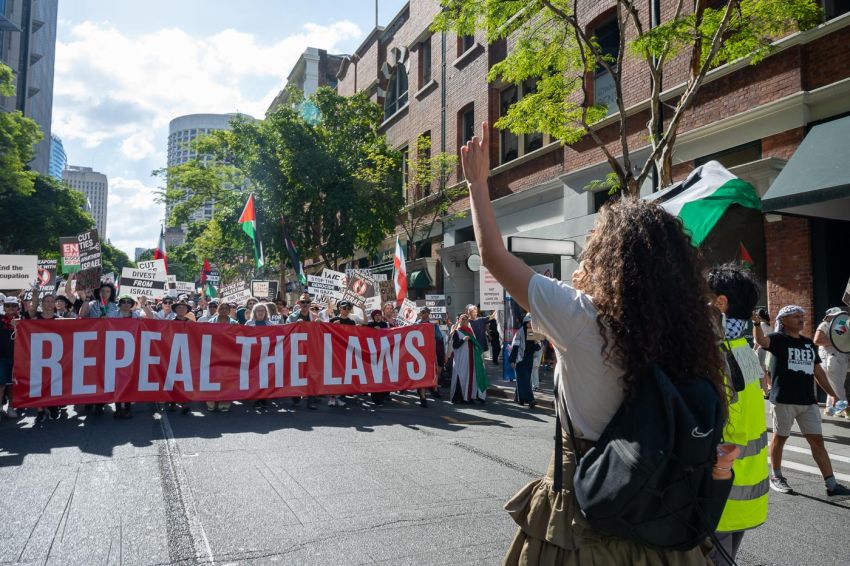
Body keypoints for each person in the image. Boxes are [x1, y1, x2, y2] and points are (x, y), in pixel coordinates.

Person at [461, 121, 736, 564]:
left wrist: (477, 183)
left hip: (585, 513)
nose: (586, 256)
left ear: (611, 263)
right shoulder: (691, 332)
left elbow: (493, 254)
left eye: (593, 247)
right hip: (662, 524)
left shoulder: (580, 319)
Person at [706, 264, 769, 566]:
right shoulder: (743, 347)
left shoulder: (717, 353)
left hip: (719, 491)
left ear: (721, 303)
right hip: (746, 490)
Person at [753, 305, 850, 496]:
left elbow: (818, 372)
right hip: (783, 400)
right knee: (780, 438)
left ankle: (831, 484)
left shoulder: (807, 343)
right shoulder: (777, 339)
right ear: (783, 320)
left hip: (808, 401)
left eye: (802, 316)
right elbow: (761, 341)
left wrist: (832, 394)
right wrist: (756, 323)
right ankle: (777, 476)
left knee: (817, 442)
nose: (801, 319)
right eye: (796, 316)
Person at [814, 307, 849, 417]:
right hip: (830, 358)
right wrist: (835, 343)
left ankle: (830, 409)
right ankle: (846, 410)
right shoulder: (824, 325)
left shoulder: (840, 326)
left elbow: (842, 340)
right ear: (830, 316)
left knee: (835, 384)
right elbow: (817, 340)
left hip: (841, 358)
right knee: (838, 385)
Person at [286, 293, 319, 409]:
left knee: (312, 374)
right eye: (303, 302)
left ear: (310, 304)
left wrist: (319, 325)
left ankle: (311, 400)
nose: (305, 304)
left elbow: (322, 333)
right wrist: (295, 325)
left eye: (307, 302)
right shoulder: (292, 317)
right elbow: (285, 331)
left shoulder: (315, 317)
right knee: (296, 373)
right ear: (299, 303)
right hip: (297, 349)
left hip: (311, 350)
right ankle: (295, 397)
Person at [205, 302, 238, 412]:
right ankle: (211, 399)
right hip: (213, 353)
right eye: (222, 308)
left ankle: (225, 399)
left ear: (229, 311)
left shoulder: (234, 323)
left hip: (229, 354)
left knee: (226, 377)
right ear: (218, 309)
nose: (224, 310)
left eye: (226, 308)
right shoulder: (210, 322)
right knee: (213, 377)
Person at [450, 313, 488, 404]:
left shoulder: (470, 332)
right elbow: (455, 346)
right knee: (461, 377)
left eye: (466, 320)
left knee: (471, 377)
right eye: (463, 319)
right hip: (461, 360)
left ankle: (470, 397)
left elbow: (476, 345)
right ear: (459, 321)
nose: (465, 321)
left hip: (471, 359)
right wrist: (463, 340)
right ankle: (459, 398)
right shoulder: (457, 332)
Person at [327, 301, 358, 407]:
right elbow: (325, 334)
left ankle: (338, 397)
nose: (346, 310)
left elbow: (353, 336)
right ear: (339, 308)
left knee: (343, 375)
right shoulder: (332, 320)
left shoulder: (351, 322)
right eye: (344, 308)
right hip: (334, 350)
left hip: (346, 351)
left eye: (349, 308)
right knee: (334, 374)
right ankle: (332, 397)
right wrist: (333, 327)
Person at [509, 314, 539, 409]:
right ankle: (530, 400)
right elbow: (515, 347)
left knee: (523, 379)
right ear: (525, 323)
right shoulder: (520, 332)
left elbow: (537, 348)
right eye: (529, 322)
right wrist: (513, 360)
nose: (531, 324)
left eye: (531, 322)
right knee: (525, 380)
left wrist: (535, 341)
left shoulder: (532, 333)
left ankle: (518, 398)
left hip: (529, 359)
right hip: (520, 359)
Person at [0, 296, 21, 420]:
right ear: (4, 307)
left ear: (17, 308)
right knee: (1, 384)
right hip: (2, 357)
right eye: (8, 306)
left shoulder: (22, 320)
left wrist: (18, 326)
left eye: (13, 306)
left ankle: (11, 407)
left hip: (18, 358)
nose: (10, 308)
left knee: (13, 384)